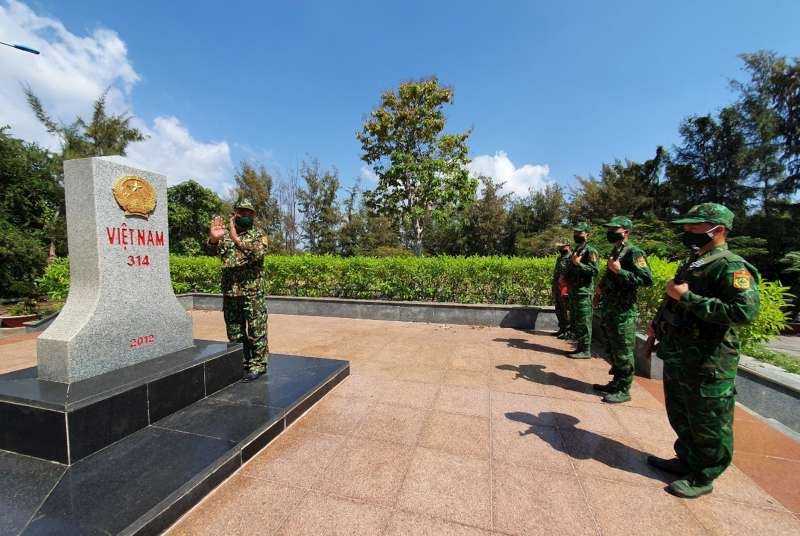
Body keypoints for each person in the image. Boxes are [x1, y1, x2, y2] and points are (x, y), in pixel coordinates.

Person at [647, 203, 760, 498]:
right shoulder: (694, 261)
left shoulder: (731, 266)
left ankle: (705, 474)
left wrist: (689, 298)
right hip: (681, 354)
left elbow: (743, 312)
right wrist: (658, 323)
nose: (687, 231)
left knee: (709, 419)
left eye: (694, 226)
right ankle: (687, 459)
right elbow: (674, 297)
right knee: (681, 412)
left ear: (717, 229)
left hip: (710, 360)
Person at [208, 199, 270, 381]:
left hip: (252, 293)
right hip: (230, 292)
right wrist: (213, 239)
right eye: (242, 213)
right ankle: (242, 361)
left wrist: (235, 237)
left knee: (256, 329)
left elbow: (256, 254)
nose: (246, 216)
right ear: (234, 214)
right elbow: (210, 252)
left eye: (250, 213)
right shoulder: (223, 236)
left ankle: (258, 364)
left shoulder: (259, 235)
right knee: (234, 331)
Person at [592, 216, 652, 403]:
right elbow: (610, 274)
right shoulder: (617, 250)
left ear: (626, 232)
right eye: (609, 230)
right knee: (614, 348)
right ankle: (616, 382)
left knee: (624, 350)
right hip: (611, 309)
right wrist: (600, 288)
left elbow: (647, 279)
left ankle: (624, 389)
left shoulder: (634, 252)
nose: (610, 233)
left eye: (614, 230)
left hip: (624, 311)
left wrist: (621, 271)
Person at [564, 222, 599, 359]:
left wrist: (579, 263)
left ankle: (585, 350)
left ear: (587, 235)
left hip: (584, 292)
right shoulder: (577, 250)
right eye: (575, 233)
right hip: (575, 291)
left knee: (584, 322)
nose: (576, 235)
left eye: (580, 233)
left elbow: (594, 271)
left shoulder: (591, 251)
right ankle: (580, 347)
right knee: (577, 321)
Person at [551, 240, 572, 339]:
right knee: (558, 309)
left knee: (566, 310)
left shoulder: (571, 258)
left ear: (568, 246)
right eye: (559, 247)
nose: (560, 249)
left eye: (562, 247)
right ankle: (562, 329)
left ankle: (568, 331)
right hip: (557, 288)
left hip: (565, 288)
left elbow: (571, 274)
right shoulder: (559, 258)